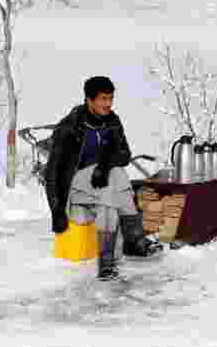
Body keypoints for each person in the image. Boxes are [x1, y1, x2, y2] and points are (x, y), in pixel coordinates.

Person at [43, 75, 163, 280]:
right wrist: (56, 210)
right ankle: (125, 247)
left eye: (110, 99)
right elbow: (52, 170)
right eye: (103, 99)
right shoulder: (69, 127)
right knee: (111, 182)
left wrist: (104, 166)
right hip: (75, 190)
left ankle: (120, 253)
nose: (108, 104)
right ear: (89, 100)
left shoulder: (112, 122)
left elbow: (124, 155)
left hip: (102, 185)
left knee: (116, 174)